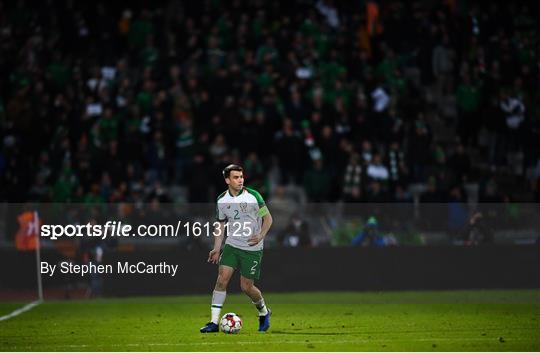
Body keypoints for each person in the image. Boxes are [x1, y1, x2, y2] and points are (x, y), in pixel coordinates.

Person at [200, 164, 273, 333]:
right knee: (221, 280)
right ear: (227, 180)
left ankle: (264, 312)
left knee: (246, 287)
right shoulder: (222, 200)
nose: (240, 180)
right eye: (236, 177)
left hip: (252, 248)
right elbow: (220, 225)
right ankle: (213, 323)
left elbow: (268, 219)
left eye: (241, 177)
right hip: (232, 245)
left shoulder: (253, 196)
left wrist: (261, 235)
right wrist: (217, 248)